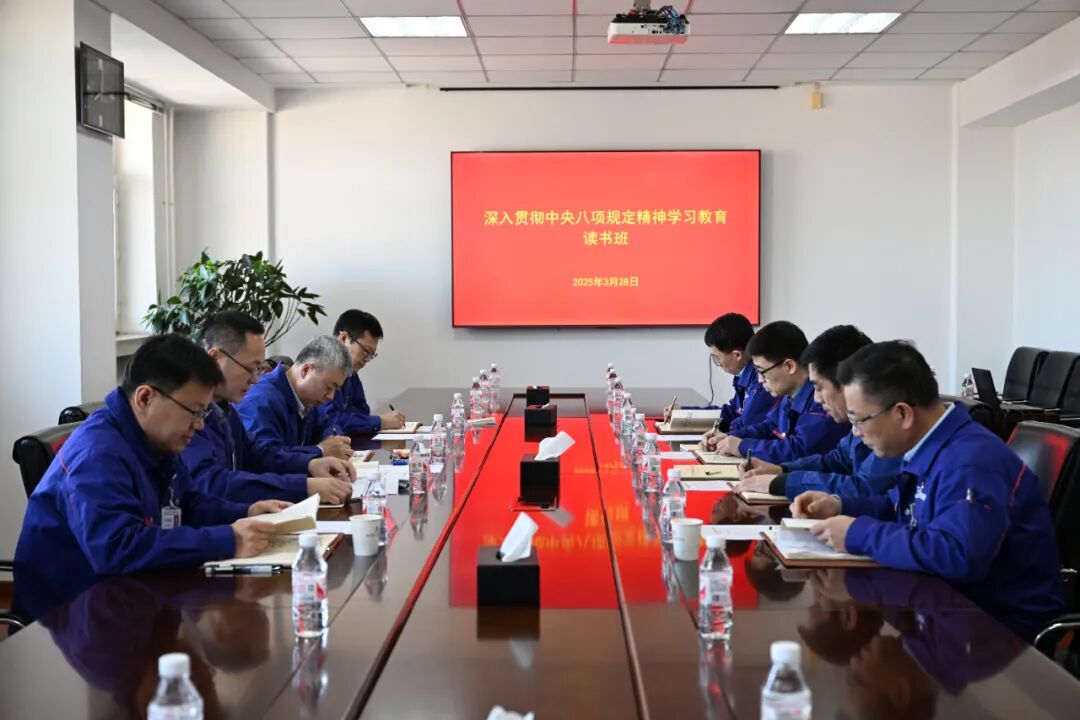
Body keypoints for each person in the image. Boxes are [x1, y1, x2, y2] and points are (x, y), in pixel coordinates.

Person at [794, 341, 1065, 640]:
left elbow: (958, 555)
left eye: (859, 420)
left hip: (997, 633)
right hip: (943, 611)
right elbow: (898, 508)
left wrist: (858, 533)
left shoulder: (970, 462)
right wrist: (839, 505)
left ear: (902, 414)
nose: (856, 432)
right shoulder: (928, 446)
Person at [14, 334, 286, 620]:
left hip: (132, 598)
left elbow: (188, 502)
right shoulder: (97, 454)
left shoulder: (154, 438)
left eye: (204, 412)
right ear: (145, 398)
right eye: (194, 411)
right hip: (70, 615)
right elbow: (117, 547)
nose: (199, 425)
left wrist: (246, 512)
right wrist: (228, 539)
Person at [183, 311, 356, 505]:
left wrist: (310, 464)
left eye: (258, 370)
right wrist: (303, 486)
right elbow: (212, 484)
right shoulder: (185, 413)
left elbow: (259, 456)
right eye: (250, 368)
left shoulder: (224, 409)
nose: (255, 379)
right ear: (216, 358)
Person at [736, 325, 900, 499]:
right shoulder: (860, 421)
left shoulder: (888, 425)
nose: (817, 398)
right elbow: (837, 460)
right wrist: (782, 469)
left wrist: (784, 482)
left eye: (819, 387)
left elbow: (865, 489)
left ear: (849, 384)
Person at [704, 320, 849, 463]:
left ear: (789, 366)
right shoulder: (789, 394)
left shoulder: (823, 400)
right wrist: (730, 438)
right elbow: (770, 427)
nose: (760, 380)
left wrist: (743, 446)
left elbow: (799, 449)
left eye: (762, 371)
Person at [237, 335, 353, 463]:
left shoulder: (307, 399)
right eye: (329, 387)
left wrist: (334, 439)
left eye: (335, 390)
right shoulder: (261, 400)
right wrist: (320, 451)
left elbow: (327, 424)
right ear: (306, 370)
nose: (331, 397)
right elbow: (265, 457)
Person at [665, 312, 772, 433]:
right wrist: (683, 412)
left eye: (716, 358)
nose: (717, 364)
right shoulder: (743, 375)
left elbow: (746, 423)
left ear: (737, 355)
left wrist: (724, 434)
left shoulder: (761, 381)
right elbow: (732, 413)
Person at [319, 309, 405, 434]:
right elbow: (330, 420)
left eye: (371, 355)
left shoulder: (351, 374)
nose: (367, 359)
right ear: (344, 338)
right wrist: (381, 421)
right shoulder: (321, 369)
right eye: (366, 351)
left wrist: (366, 422)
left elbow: (362, 412)